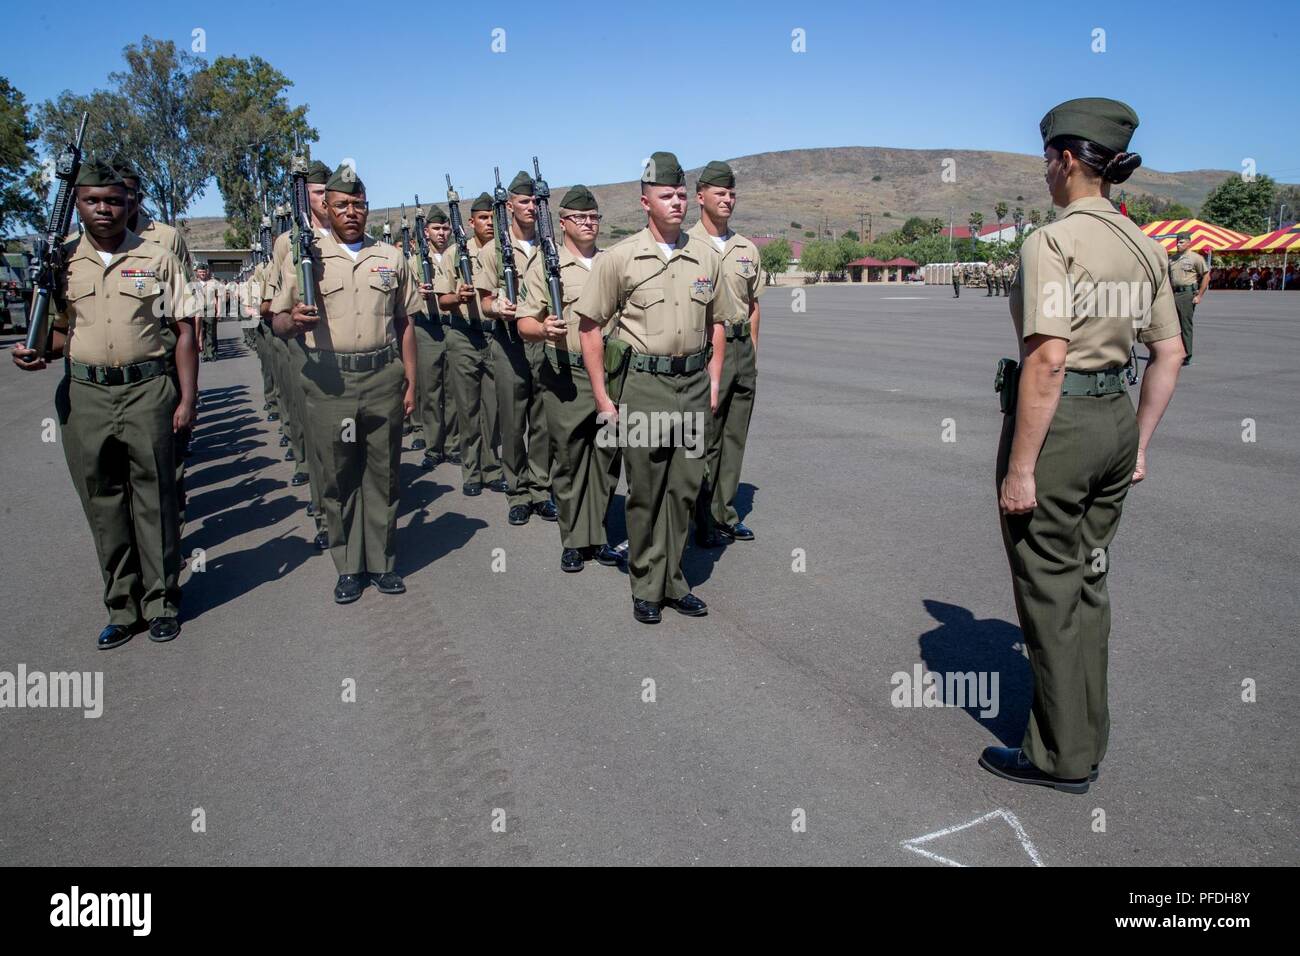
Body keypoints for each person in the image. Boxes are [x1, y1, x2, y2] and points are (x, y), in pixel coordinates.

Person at [982, 97, 1184, 794]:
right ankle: (1089, 732)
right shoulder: (1143, 244)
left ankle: (1058, 755)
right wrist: (1141, 443)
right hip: (1116, 422)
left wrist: (1019, 469)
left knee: (1047, 586)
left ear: (1067, 160)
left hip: (1060, 425)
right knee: (1089, 583)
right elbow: (1170, 351)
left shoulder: (1053, 241)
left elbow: (1046, 359)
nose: (1045, 174)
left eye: (1047, 160)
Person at [12, 160, 197, 648]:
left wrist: (188, 397)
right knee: (103, 502)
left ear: (129, 203)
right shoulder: (63, 262)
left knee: (154, 499)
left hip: (147, 390)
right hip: (86, 394)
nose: (105, 210)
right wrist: (34, 352)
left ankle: (161, 602)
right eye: (93, 201)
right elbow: (57, 331)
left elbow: (184, 330)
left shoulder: (157, 257)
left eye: (114, 200)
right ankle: (122, 606)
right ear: (77, 205)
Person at [575, 151, 729, 625]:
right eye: (667, 196)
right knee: (646, 490)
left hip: (691, 386)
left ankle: (673, 580)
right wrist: (603, 397)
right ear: (646, 202)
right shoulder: (620, 259)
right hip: (644, 386)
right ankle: (646, 583)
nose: (678, 202)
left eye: (682, 194)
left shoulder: (705, 255)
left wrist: (714, 380)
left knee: (683, 490)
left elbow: (718, 322)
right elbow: (588, 328)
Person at [270, 165, 419, 604]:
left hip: (381, 375)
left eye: (358, 204)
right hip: (330, 378)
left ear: (366, 208)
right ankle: (349, 565)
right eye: (341, 205)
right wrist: (290, 322)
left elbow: (404, 322)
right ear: (326, 209)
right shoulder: (305, 255)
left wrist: (410, 380)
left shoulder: (390, 257)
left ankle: (383, 562)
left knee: (383, 473)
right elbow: (277, 318)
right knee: (337, 476)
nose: (351, 212)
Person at [517, 184, 625, 572]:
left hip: (611, 372)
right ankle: (574, 539)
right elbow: (523, 321)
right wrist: (542, 329)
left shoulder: (613, 262)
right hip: (565, 372)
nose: (589, 224)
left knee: (607, 456)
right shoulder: (547, 266)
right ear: (562, 223)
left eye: (595, 218)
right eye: (581, 218)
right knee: (569, 457)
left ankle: (597, 535)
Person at [476, 172, 556, 526]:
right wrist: (498, 308)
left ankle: (540, 488)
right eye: (524, 202)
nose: (531, 208)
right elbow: (484, 301)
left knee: (542, 420)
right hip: (508, 342)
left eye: (536, 202)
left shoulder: (551, 245)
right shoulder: (494, 250)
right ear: (509, 206)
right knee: (512, 421)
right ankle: (518, 490)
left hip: (543, 340)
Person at [688, 160, 760, 547]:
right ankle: (701, 517)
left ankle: (725, 513)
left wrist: (752, 354)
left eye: (732, 193)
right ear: (701, 197)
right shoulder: (685, 245)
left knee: (734, 437)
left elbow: (752, 305)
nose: (728, 199)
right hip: (704, 350)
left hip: (740, 348)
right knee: (706, 438)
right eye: (721, 193)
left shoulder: (746, 247)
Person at [434, 192, 506, 496]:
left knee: (494, 406)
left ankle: (492, 468)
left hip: (495, 334)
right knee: (468, 406)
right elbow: (442, 300)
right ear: (471, 221)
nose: (489, 223)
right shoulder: (454, 253)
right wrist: (458, 297)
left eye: (492, 218)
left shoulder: (503, 252)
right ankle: (472, 471)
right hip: (464, 333)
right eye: (483, 218)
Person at [411, 207, 461, 470]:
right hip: (427, 328)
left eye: (445, 228)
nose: (441, 233)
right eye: (436, 229)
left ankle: (453, 444)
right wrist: (418, 291)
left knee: (453, 389)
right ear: (426, 231)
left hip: (453, 326)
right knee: (430, 390)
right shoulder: (415, 260)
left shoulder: (457, 255)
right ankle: (433, 446)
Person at [1167, 232, 1208, 366]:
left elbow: (1206, 276)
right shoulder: (1172, 260)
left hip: (1187, 294)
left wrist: (1199, 295)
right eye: (1177, 242)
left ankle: (1187, 354)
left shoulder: (1195, 258)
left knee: (1185, 325)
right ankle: (1176, 352)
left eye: (1181, 242)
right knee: (1173, 326)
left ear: (1189, 243)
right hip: (1174, 294)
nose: (1178, 244)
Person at [196, 262, 222, 361]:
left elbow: (218, 297)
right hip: (198, 311)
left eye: (204, 271)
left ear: (207, 272)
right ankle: (204, 354)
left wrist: (219, 311)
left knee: (211, 332)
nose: (202, 273)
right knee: (201, 333)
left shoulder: (214, 283)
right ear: (197, 272)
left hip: (210, 310)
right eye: (200, 271)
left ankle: (212, 353)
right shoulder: (193, 283)